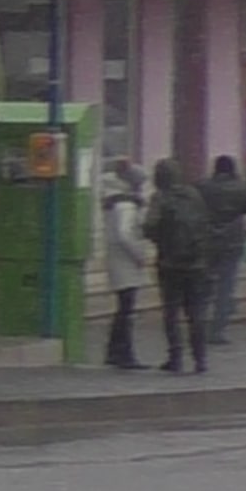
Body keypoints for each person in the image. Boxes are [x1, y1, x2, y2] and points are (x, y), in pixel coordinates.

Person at [145, 161, 210, 373]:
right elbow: (205, 222)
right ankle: (200, 359)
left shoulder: (160, 197)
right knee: (196, 312)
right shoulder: (194, 194)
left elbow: (150, 226)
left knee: (171, 312)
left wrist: (161, 240)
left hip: (170, 264)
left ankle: (176, 357)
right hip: (196, 263)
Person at [192, 157, 246, 369]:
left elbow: (193, 207)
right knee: (226, 286)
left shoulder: (202, 187)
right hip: (232, 241)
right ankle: (218, 329)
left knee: (205, 285)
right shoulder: (241, 188)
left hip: (208, 240)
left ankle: (198, 323)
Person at [97, 157, 152, 370]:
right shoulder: (126, 206)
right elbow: (124, 234)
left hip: (118, 260)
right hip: (126, 263)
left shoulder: (113, 203)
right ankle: (124, 353)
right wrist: (139, 255)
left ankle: (114, 350)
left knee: (124, 309)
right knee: (126, 310)